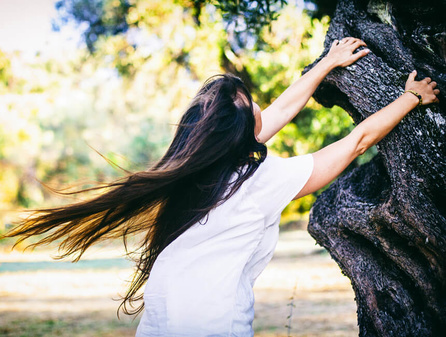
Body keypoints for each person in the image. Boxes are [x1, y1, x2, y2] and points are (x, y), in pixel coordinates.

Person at [3, 37, 439, 336]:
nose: (261, 112)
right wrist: (411, 97)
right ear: (241, 133)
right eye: (252, 109)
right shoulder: (258, 180)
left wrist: (327, 63)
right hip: (211, 318)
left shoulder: (196, 169)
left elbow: (280, 109)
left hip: (165, 306)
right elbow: (354, 142)